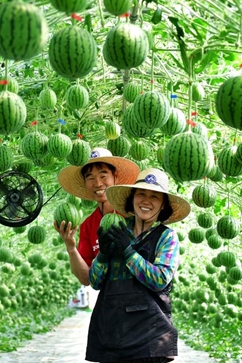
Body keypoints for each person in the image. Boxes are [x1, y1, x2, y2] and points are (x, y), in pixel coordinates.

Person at [86, 168, 190, 363]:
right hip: (111, 332)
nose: (146, 201)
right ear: (132, 198)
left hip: (149, 338)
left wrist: (128, 251)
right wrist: (103, 255)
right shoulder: (115, 227)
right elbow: (95, 282)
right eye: (141, 194)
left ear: (162, 206)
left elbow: (159, 279)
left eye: (155, 197)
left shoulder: (167, 237)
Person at [55, 147, 140, 285]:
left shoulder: (133, 213)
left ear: (115, 177)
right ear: (85, 183)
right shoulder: (88, 225)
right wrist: (70, 247)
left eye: (103, 176)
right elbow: (86, 279)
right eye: (90, 178)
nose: (98, 183)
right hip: (110, 301)